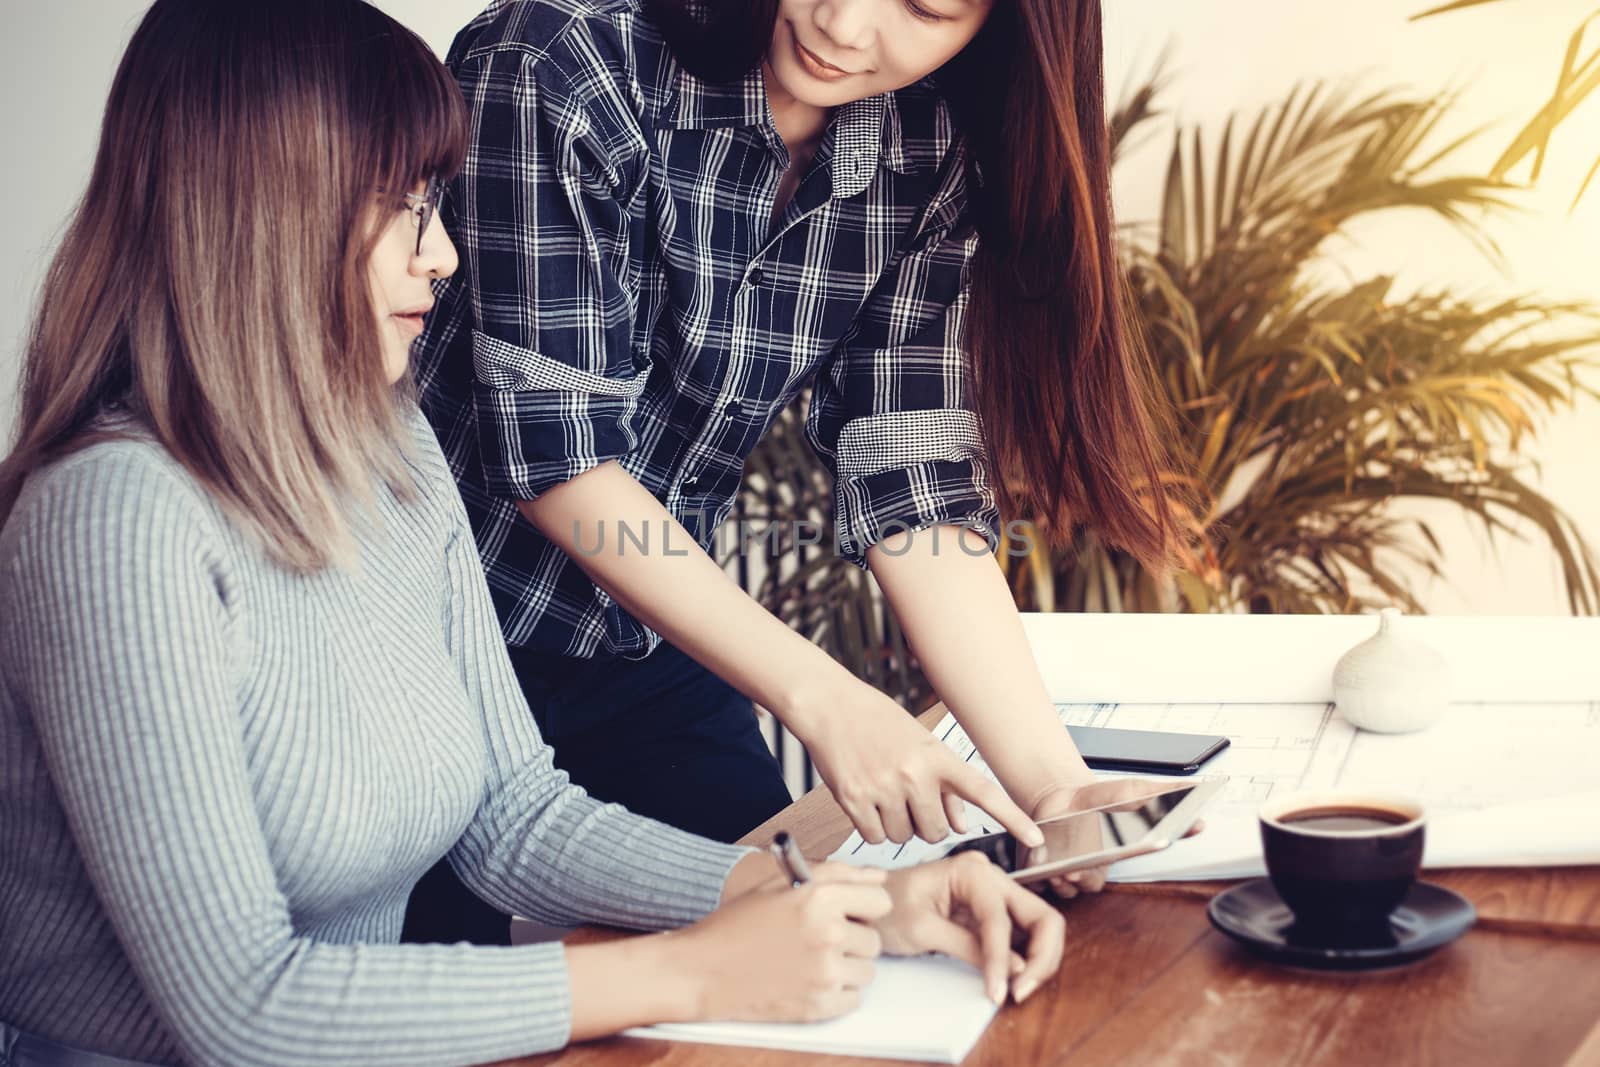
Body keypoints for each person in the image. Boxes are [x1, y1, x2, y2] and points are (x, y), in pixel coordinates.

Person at [0, 2, 1066, 1064]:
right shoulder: (114, 518)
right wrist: (697, 963)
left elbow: (513, 818)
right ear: (264, 214)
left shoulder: (394, 449)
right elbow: (245, 1009)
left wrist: (865, 900)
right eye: (407, 207)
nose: (452, 256)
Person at [410, 0, 1191, 941]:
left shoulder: (927, 144)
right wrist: (828, 698)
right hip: (423, 650)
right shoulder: (564, 60)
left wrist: (1056, 786)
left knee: (808, 942)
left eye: (928, 8)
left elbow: (912, 472)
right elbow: (559, 458)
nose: (844, 24)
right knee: (438, 999)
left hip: (651, 650)